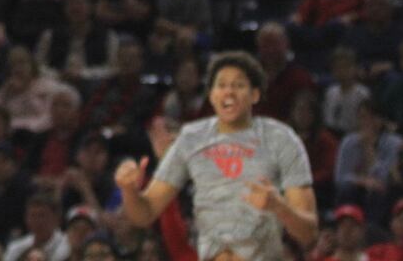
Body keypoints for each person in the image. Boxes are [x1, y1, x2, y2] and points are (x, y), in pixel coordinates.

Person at [115, 51, 319, 261]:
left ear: (255, 94)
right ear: (211, 95)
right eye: (221, 85)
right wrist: (129, 190)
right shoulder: (191, 138)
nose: (229, 92)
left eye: (238, 85)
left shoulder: (281, 138)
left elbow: (309, 232)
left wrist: (279, 207)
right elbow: (144, 213)